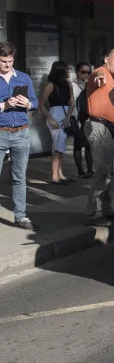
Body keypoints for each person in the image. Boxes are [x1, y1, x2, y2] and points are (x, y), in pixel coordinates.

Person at [85, 49, 114, 227]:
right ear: (106, 59)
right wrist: (100, 77)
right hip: (99, 126)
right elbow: (97, 75)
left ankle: (106, 209)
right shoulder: (100, 72)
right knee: (101, 171)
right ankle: (95, 212)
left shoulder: (112, 78)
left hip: (108, 128)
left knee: (107, 172)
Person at [0, 42, 38, 229]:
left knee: (19, 177)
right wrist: (4, 105)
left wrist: (27, 104)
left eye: (10, 60)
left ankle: (20, 216)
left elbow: (35, 101)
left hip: (21, 132)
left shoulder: (23, 78)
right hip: (1, 132)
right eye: (3, 61)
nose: (7, 64)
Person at [39, 61, 76, 185]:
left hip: (64, 116)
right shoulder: (51, 85)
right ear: (61, 71)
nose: (69, 72)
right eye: (67, 69)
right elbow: (41, 105)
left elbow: (72, 103)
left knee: (61, 146)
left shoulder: (68, 84)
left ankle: (60, 174)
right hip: (55, 115)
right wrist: (50, 118)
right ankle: (55, 175)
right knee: (58, 147)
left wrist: (68, 117)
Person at [72, 62, 93, 178]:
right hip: (78, 118)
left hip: (89, 118)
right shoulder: (73, 85)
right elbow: (72, 104)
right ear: (77, 72)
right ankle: (80, 170)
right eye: (83, 72)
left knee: (90, 145)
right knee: (78, 145)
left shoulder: (91, 84)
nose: (86, 75)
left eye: (88, 72)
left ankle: (90, 169)